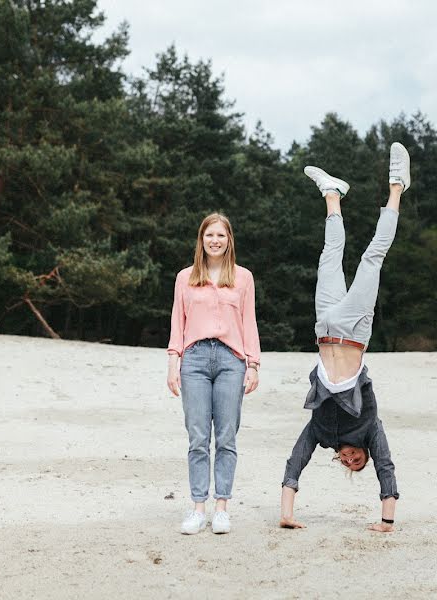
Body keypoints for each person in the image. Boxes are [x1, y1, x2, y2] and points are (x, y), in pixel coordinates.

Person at [279, 143, 410, 533]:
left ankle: (332, 194)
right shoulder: (370, 427)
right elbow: (386, 467)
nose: (352, 459)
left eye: (348, 463)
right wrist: (387, 520)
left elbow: (294, 461)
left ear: (339, 458)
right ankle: (398, 186)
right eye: (359, 462)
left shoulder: (320, 431)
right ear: (363, 453)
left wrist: (286, 514)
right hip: (353, 331)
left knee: (329, 255)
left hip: (324, 327)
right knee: (372, 257)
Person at [167, 213, 261, 535]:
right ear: (201, 240)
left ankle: (222, 508)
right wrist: (173, 364)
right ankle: (197, 508)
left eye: (221, 235)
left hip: (231, 361)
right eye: (210, 236)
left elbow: (249, 323)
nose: (215, 241)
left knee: (226, 436)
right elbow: (177, 323)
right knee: (197, 438)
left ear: (229, 240)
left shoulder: (244, 278)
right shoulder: (185, 278)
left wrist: (253, 365)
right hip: (193, 359)